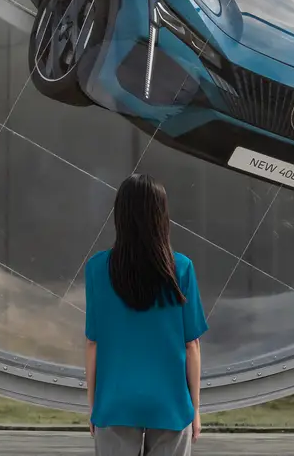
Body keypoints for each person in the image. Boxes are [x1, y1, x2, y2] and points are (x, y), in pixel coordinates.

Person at [85, 173, 208, 456]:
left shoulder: (96, 268)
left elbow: (93, 342)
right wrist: (196, 409)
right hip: (171, 405)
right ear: (161, 215)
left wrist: (94, 406)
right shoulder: (182, 268)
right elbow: (192, 346)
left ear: (120, 215)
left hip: (115, 403)